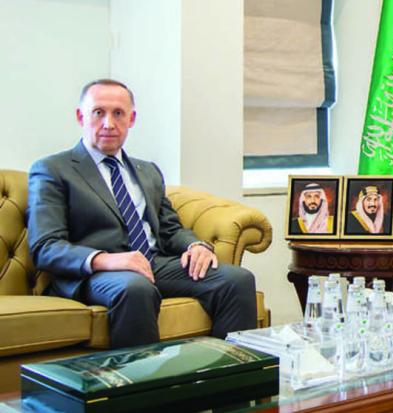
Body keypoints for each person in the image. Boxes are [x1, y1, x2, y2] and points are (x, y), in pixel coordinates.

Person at [27, 79, 257, 349]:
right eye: (98, 112)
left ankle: (229, 372)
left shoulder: (147, 171)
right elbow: (46, 246)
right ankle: (142, 377)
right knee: (135, 288)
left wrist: (195, 245)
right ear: (81, 116)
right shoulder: (53, 169)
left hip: (153, 264)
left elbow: (170, 229)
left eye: (118, 113)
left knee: (237, 280)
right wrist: (106, 260)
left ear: (131, 119)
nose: (108, 123)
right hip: (96, 275)